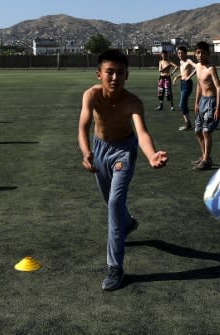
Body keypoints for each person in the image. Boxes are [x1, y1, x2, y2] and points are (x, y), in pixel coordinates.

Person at [78, 49, 168, 291]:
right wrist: (86, 152)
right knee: (109, 201)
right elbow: (83, 127)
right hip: (99, 149)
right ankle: (127, 223)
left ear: (127, 75)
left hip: (123, 152)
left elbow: (142, 133)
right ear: (99, 74)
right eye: (110, 72)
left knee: (115, 204)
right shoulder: (91, 96)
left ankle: (115, 267)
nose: (115, 77)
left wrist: (152, 155)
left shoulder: (133, 102)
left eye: (120, 73)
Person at [192, 41, 220, 170]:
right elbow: (199, 85)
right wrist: (196, 101)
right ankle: (205, 156)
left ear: (208, 54)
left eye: (203, 53)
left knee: (206, 131)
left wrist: (218, 108)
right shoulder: (198, 67)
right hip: (202, 101)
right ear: (195, 54)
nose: (200, 55)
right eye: (198, 52)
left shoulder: (211, 69)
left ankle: (205, 161)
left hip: (211, 102)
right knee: (197, 131)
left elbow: (219, 88)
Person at [172, 46, 196, 131]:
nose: (180, 54)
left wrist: (189, 77)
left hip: (187, 84)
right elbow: (183, 73)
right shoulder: (181, 61)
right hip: (182, 84)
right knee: (183, 104)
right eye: (179, 53)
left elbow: (196, 67)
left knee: (182, 104)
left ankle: (188, 124)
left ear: (185, 53)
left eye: (182, 53)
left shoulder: (188, 61)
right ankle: (188, 124)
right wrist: (176, 77)